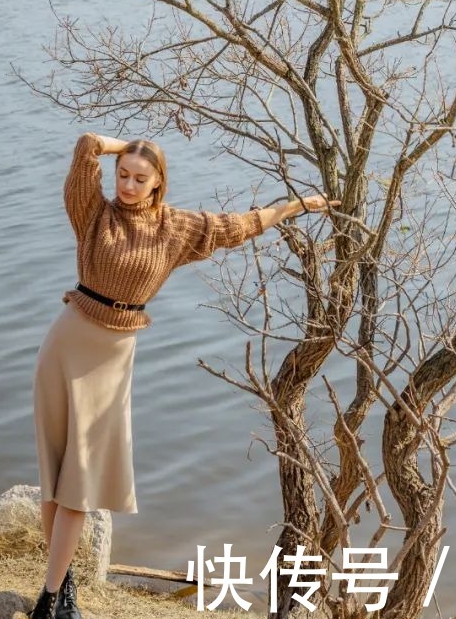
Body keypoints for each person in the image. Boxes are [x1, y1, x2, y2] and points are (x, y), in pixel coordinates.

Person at [29, 131, 340, 619]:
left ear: (158, 184)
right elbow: (86, 145)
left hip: (113, 356)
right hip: (68, 343)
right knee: (58, 475)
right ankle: (58, 590)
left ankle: (51, 597)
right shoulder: (93, 213)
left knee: (81, 481)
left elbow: (241, 225)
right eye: (123, 175)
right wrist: (123, 146)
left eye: (140, 178)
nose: (128, 185)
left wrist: (298, 206)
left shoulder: (174, 230)